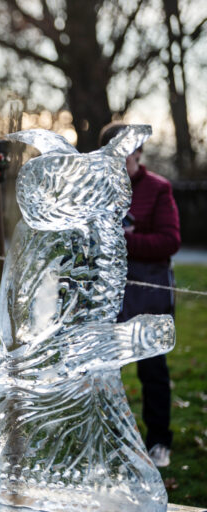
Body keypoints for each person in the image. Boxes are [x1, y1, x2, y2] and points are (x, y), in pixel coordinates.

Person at [100, 122, 181, 467]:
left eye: (127, 151)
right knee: (103, 373)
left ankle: (159, 441)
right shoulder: (95, 188)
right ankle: (109, 442)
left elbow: (169, 241)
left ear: (138, 152)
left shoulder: (158, 188)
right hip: (107, 294)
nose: (121, 158)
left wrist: (125, 239)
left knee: (152, 370)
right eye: (113, 151)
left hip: (148, 294)